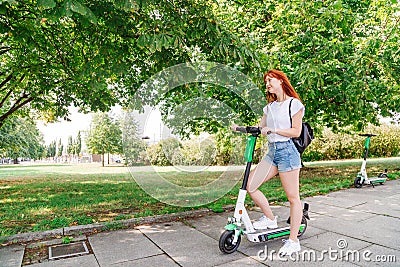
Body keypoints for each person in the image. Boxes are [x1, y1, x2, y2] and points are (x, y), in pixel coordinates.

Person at [232, 69, 304, 256]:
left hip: (287, 152)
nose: (267, 84)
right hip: (272, 153)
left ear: (281, 81)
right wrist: (240, 128)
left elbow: (296, 131)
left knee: (293, 198)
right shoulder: (269, 108)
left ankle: (293, 241)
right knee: (250, 184)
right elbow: (261, 127)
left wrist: (274, 130)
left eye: (270, 80)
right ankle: (270, 218)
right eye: (266, 82)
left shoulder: (294, 104)